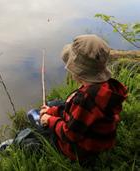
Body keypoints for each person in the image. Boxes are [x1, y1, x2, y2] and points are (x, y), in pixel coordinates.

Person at [38, 34, 127, 163]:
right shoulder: (107, 87)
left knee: (37, 124)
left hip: (81, 150)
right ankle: (50, 112)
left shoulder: (85, 99)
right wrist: (53, 111)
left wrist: (49, 120)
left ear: (77, 72)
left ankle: (25, 142)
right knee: (54, 105)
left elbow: (70, 135)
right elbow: (79, 114)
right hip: (102, 140)